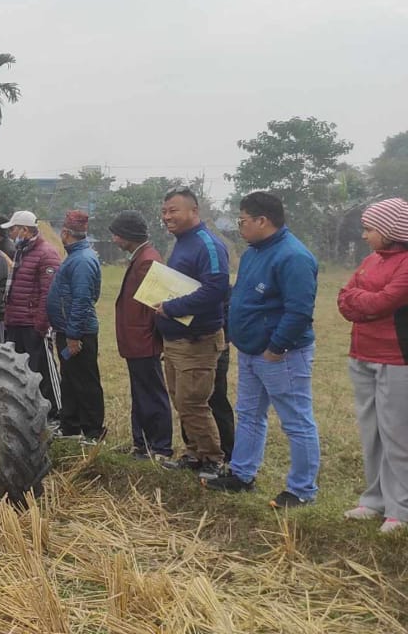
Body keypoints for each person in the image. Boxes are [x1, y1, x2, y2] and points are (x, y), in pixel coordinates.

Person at [205, 192, 320, 508]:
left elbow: (299, 311)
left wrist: (276, 348)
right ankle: (242, 474)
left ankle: (302, 490)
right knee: (249, 414)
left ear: (262, 221)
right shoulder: (255, 252)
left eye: (242, 220)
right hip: (251, 351)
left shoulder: (293, 257)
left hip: (281, 354)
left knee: (295, 420)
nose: (239, 225)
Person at [337, 197, 408, 534]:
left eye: (369, 229)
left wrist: (362, 301)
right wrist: (364, 302)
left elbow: (386, 300)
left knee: (397, 435)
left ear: (391, 229)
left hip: (396, 359)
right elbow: (343, 298)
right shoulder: (370, 260)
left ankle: (401, 508)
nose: (364, 236)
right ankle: (374, 500)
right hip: (362, 354)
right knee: (372, 432)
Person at [156, 187, 231, 480]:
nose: (167, 216)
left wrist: (171, 307)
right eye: (164, 211)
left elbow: (216, 289)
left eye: (173, 210)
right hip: (175, 340)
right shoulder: (181, 243)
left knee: (193, 402)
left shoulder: (208, 245)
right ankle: (192, 453)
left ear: (194, 211)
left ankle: (213, 459)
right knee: (180, 399)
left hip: (197, 340)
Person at [109, 210, 173, 459]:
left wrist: (154, 338)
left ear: (129, 235)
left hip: (144, 341)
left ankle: (160, 446)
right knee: (140, 393)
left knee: (152, 394)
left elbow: (157, 305)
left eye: (117, 235)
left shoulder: (147, 260)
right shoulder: (141, 257)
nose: (114, 239)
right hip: (136, 341)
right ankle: (141, 444)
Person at [46, 210, 105, 443]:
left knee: (85, 382)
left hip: (78, 334)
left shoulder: (81, 260)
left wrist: (73, 334)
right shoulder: (75, 256)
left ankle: (93, 431)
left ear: (65, 233)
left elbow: (82, 299)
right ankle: (70, 426)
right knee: (70, 380)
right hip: (68, 330)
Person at [3, 210, 63, 423]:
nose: (11, 234)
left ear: (25, 230)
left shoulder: (46, 253)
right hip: (16, 320)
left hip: (33, 323)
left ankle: (55, 412)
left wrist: (41, 323)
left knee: (44, 369)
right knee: (20, 370)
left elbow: (49, 292)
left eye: (13, 229)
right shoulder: (21, 251)